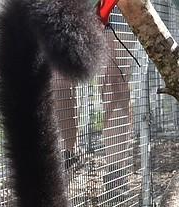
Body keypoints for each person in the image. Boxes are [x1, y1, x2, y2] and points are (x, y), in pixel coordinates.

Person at [52, 11, 135, 186]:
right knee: (60, 77)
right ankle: (70, 154)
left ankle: (116, 174)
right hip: (68, 9)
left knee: (115, 80)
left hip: (115, 9)